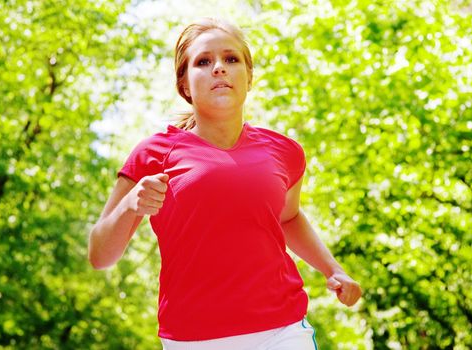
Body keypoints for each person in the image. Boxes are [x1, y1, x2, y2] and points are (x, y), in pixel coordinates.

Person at [88, 17, 362, 350]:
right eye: (204, 62)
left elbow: (288, 218)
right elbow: (100, 256)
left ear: (249, 77)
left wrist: (333, 269)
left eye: (231, 59)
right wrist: (132, 203)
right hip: (193, 338)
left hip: (282, 331)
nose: (219, 68)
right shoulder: (153, 154)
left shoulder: (284, 152)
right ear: (185, 85)